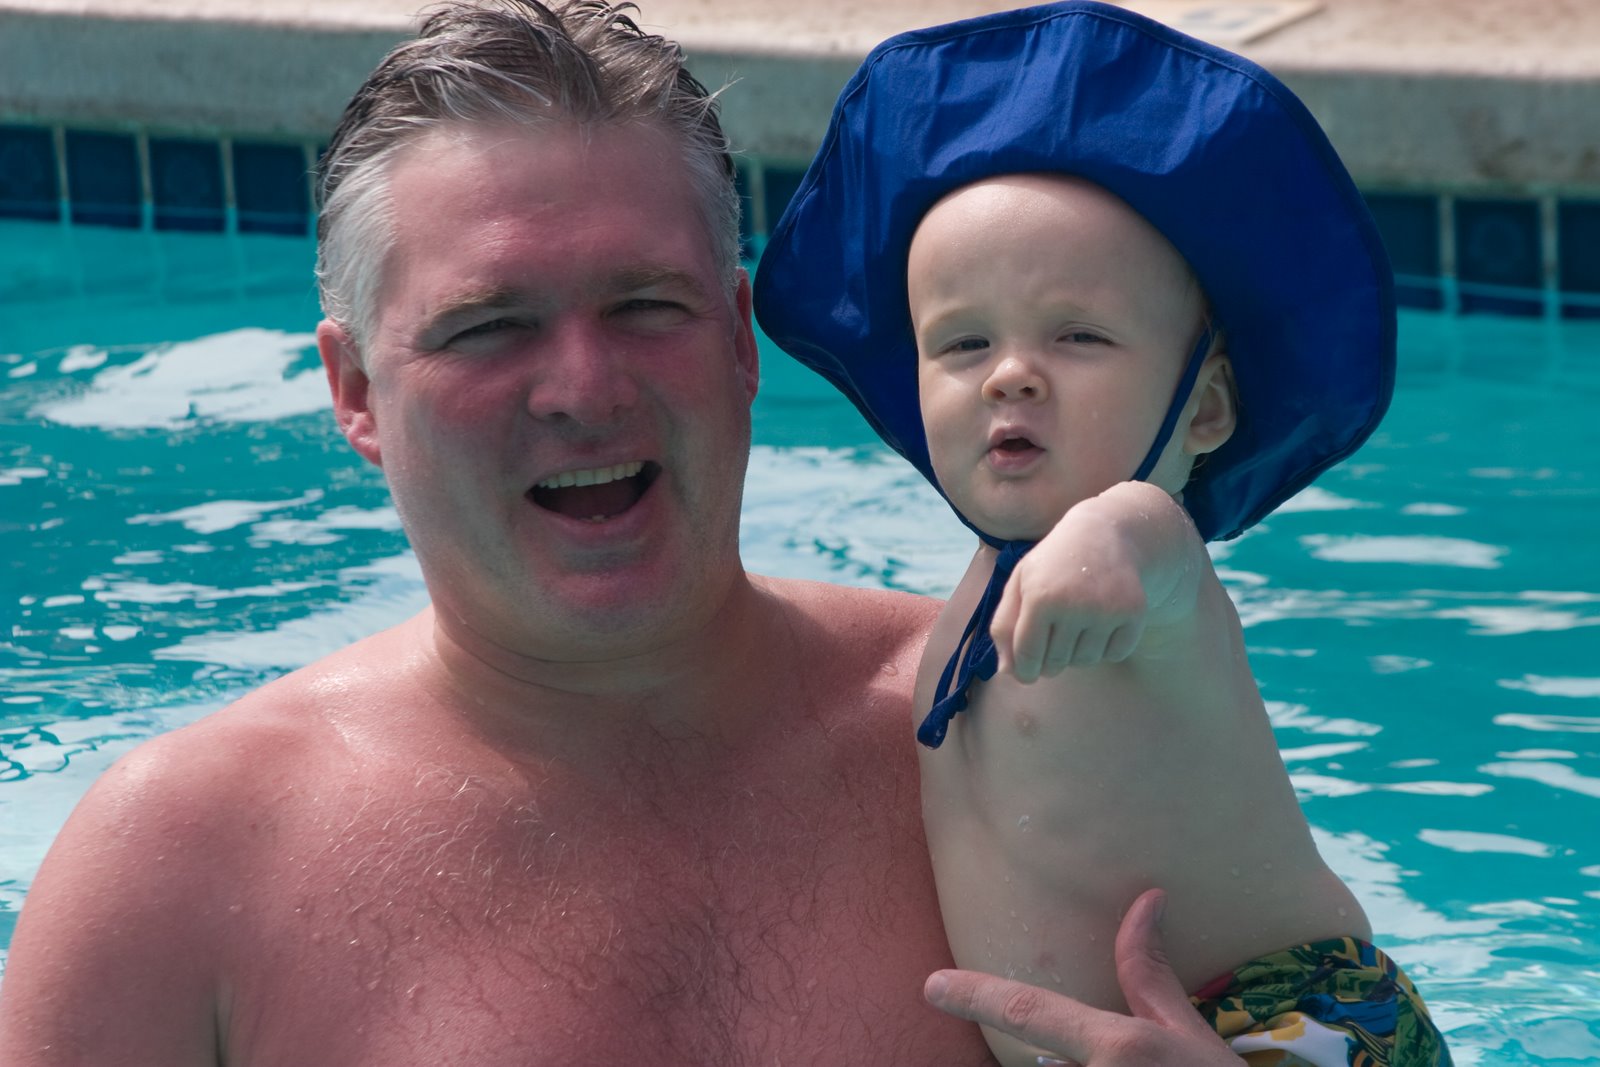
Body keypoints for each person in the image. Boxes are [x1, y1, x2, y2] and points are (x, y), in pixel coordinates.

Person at [0, 2, 1258, 1065]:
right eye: (488, 326)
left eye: (645, 306)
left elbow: (1311, 989)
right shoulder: (180, 865)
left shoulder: (1011, 723)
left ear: (737, 340)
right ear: (356, 393)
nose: (585, 388)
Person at [754, 3, 1451, 1066]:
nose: (1010, 373)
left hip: (1287, 1027)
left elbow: (1150, 546)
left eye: (1077, 335)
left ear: (1205, 410)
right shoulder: (975, 599)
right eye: (963, 342)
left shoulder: (1143, 556)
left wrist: (1109, 546)